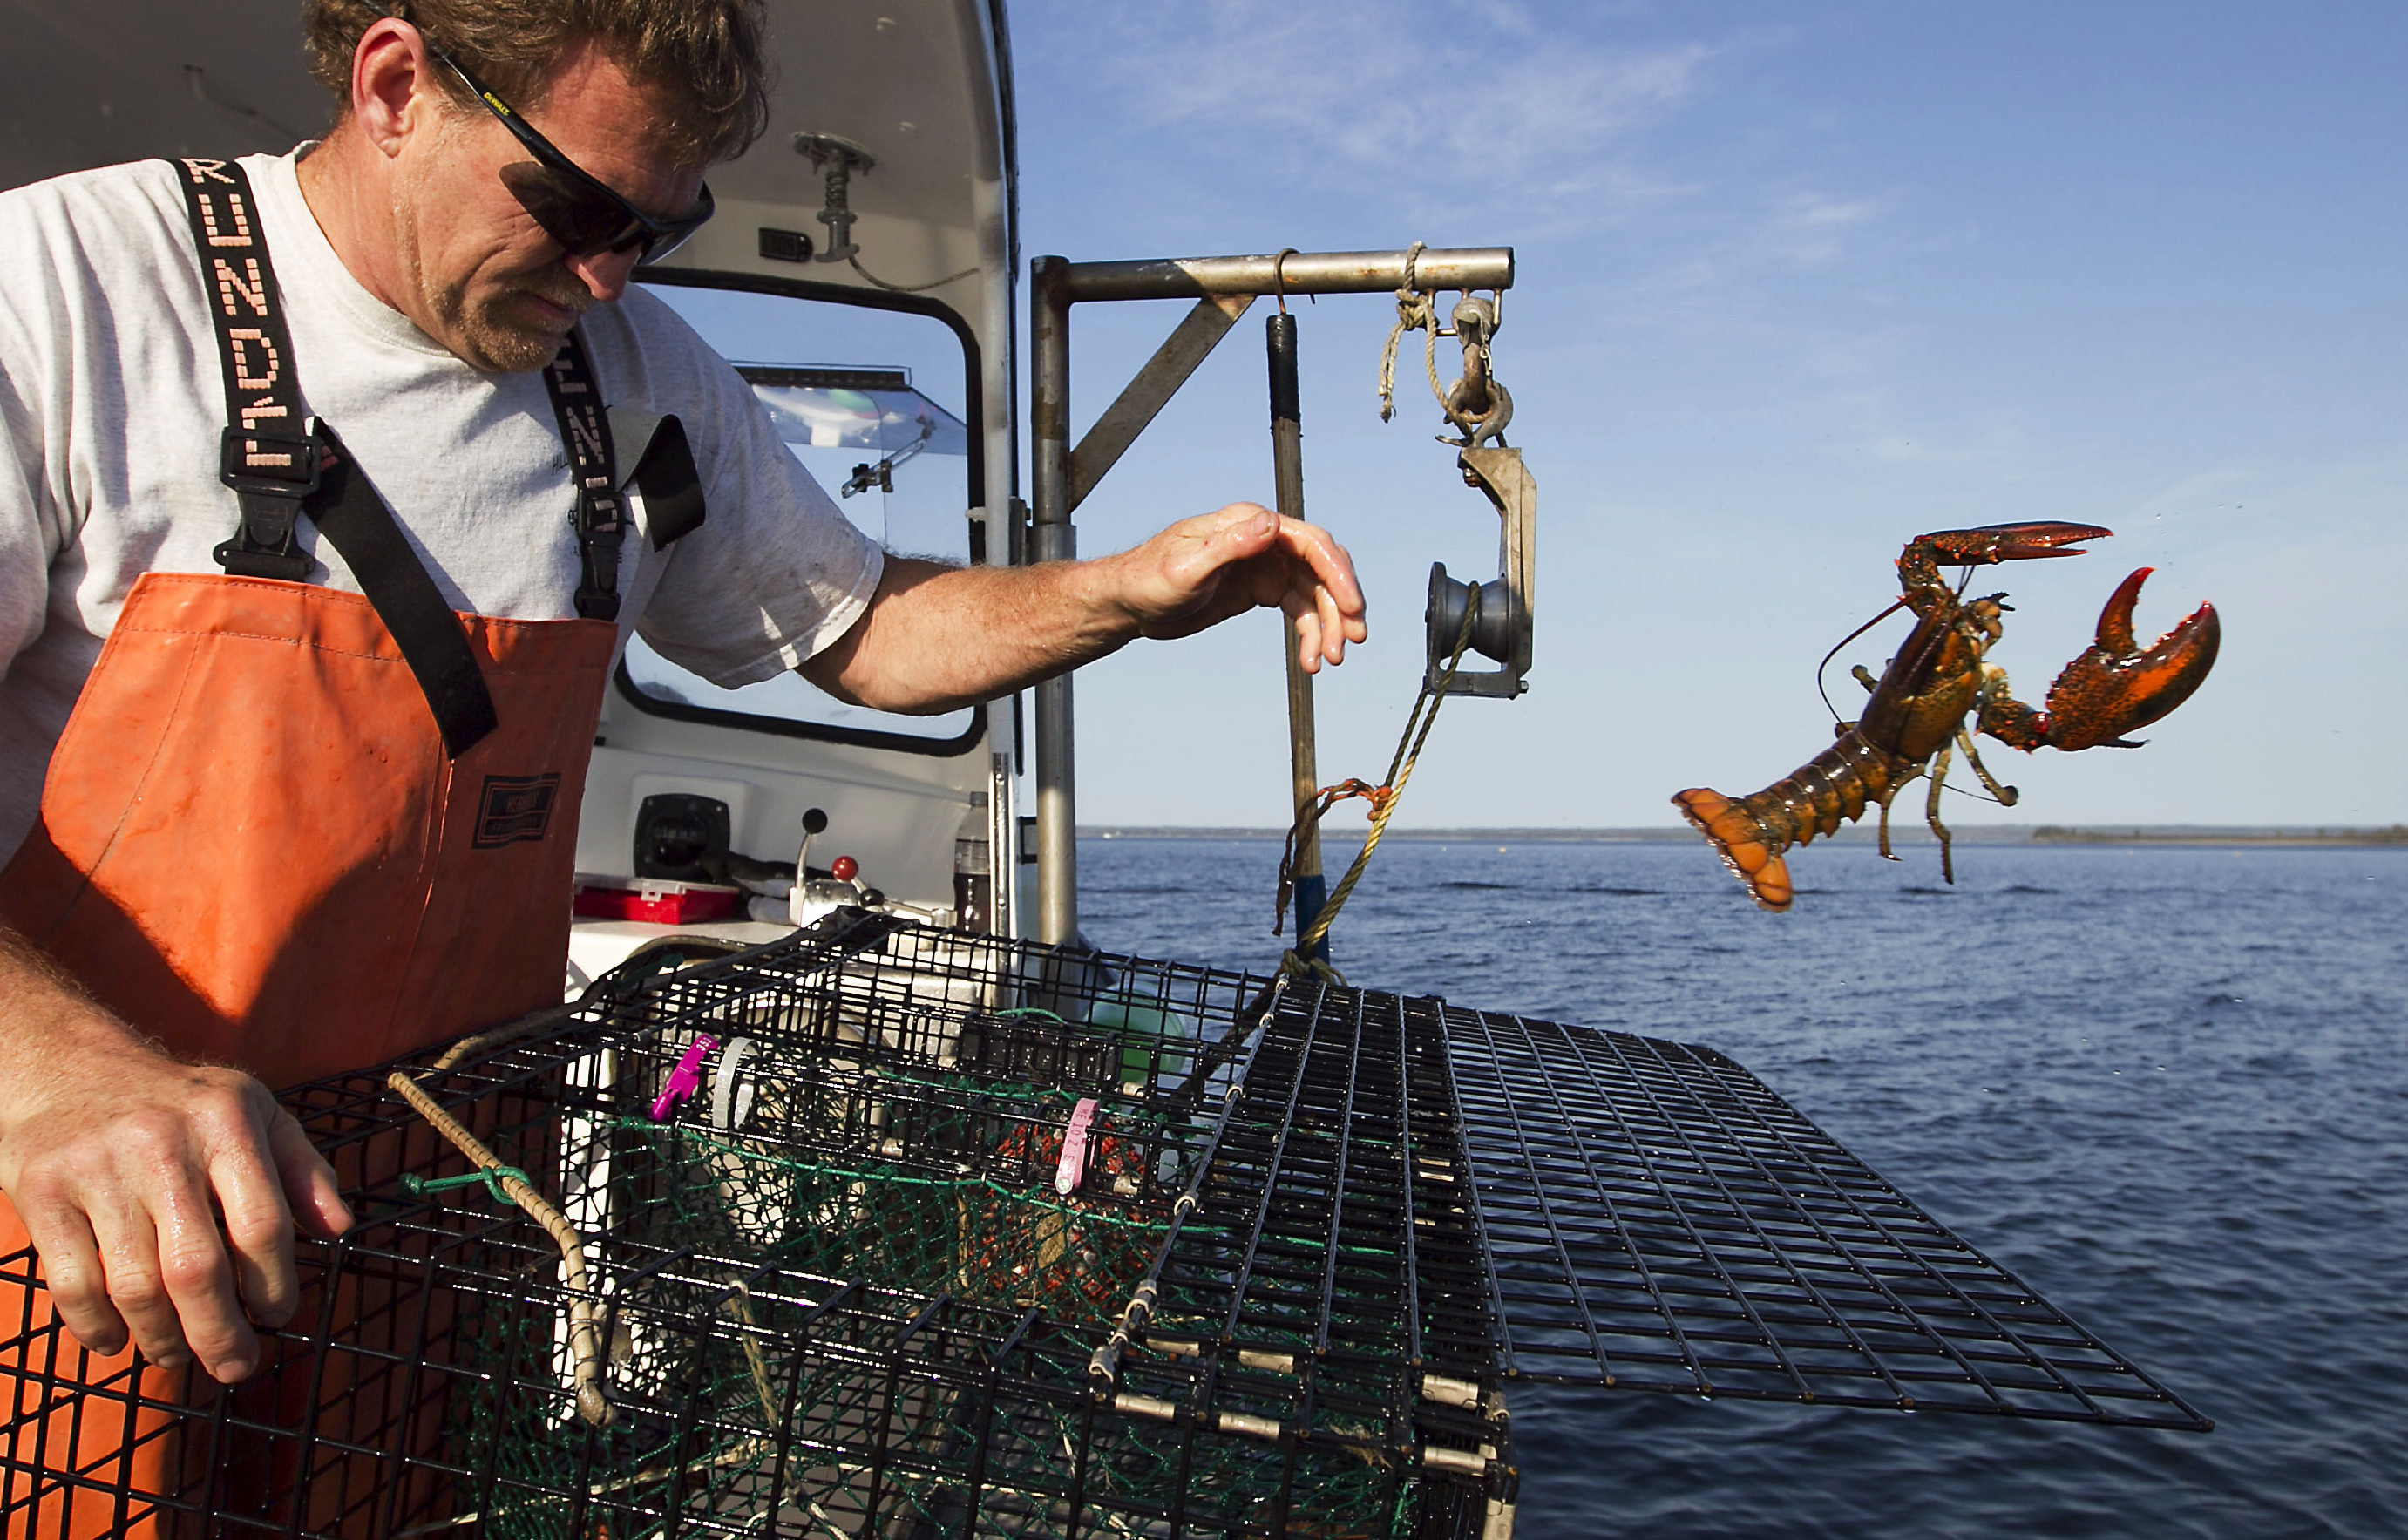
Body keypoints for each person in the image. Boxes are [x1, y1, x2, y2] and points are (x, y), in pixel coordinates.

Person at [0, 0, 1365, 1415]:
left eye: (658, 229)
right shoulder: (72, 296)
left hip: (428, 1246)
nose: (607, 276)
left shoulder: (640, 384)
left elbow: (864, 627)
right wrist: (64, 1082)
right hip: (75, 1257)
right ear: (397, 84)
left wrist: (1129, 595)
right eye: (574, 204)